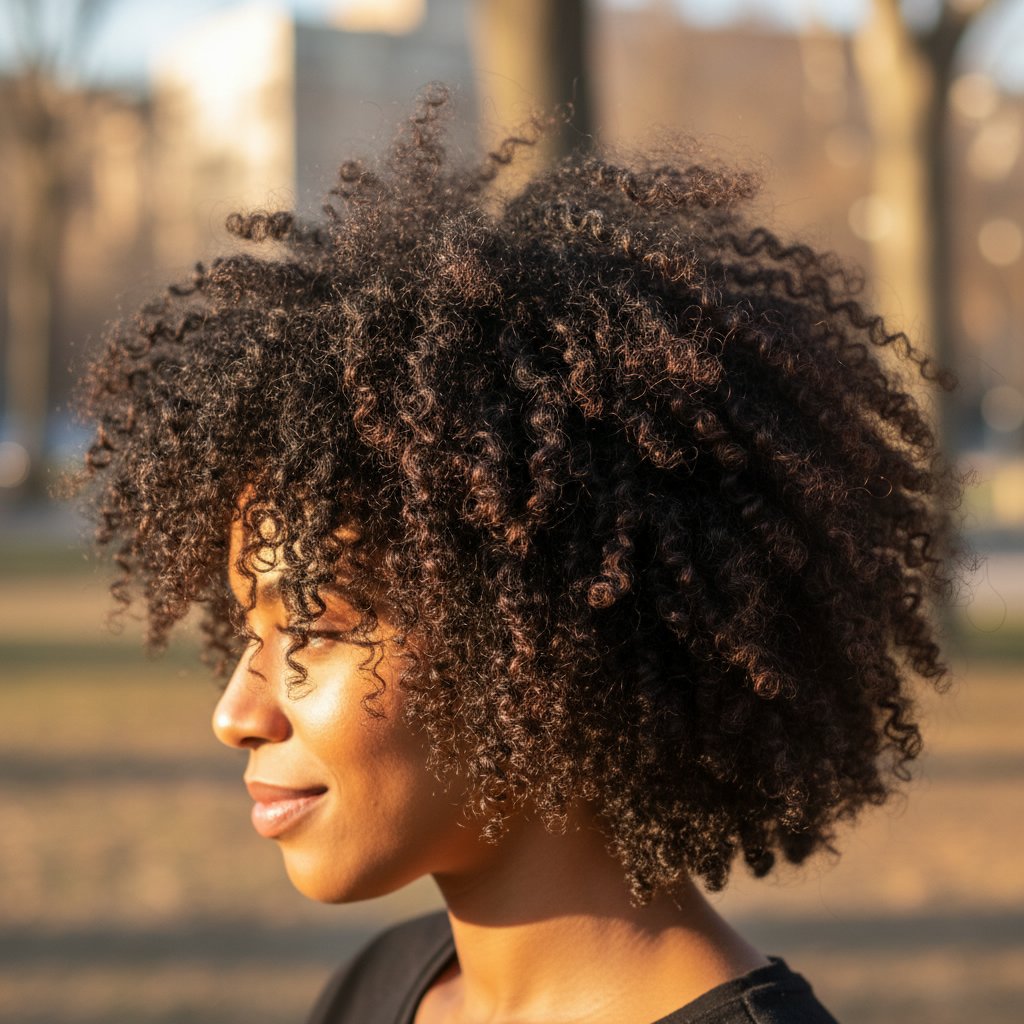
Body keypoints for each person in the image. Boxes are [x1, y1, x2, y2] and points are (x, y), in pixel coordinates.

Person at [76, 87, 965, 1024]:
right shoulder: (380, 989)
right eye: (248, 630)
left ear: (540, 641)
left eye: (316, 625)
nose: (236, 713)